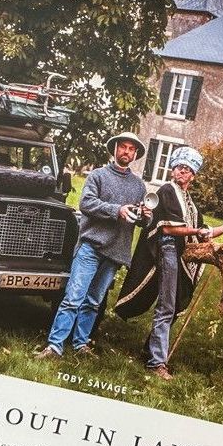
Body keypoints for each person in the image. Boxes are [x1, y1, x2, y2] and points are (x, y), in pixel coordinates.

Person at [114, 146, 223, 380]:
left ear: (193, 175)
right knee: (167, 306)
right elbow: (167, 228)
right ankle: (156, 363)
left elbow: (203, 233)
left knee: (172, 305)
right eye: (178, 167)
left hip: (180, 253)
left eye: (187, 169)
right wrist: (197, 229)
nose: (181, 172)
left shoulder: (189, 202)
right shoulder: (167, 191)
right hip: (166, 249)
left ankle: (150, 350)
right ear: (172, 170)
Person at [37, 132, 149, 360]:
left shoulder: (139, 186)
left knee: (94, 302)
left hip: (116, 251)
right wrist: (117, 210)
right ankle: (55, 346)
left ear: (135, 154)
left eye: (131, 149)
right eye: (123, 147)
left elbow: (142, 222)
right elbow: (86, 203)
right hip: (91, 246)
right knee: (73, 298)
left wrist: (146, 216)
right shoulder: (98, 175)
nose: (126, 152)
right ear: (115, 149)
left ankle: (81, 344)